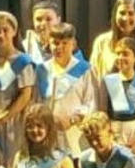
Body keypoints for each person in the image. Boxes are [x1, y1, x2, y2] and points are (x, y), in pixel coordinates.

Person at [0, 11, 36, 164]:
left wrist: (5, 117)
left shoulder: (22, 61)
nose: (1, 35)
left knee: (12, 165)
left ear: (14, 31)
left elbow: (25, 95)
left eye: (5, 30)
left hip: (14, 122)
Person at [36, 22, 97, 157]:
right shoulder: (42, 70)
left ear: (73, 44)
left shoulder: (85, 69)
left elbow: (91, 101)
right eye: (55, 43)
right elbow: (37, 102)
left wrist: (73, 119)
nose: (59, 47)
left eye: (64, 43)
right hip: (49, 132)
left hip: (76, 132)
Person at [99, 37, 135, 156]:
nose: (120, 58)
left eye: (125, 54)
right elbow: (103, 113)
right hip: (116, 136)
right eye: (118, 54)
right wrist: (111, 138)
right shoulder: (108, 81)